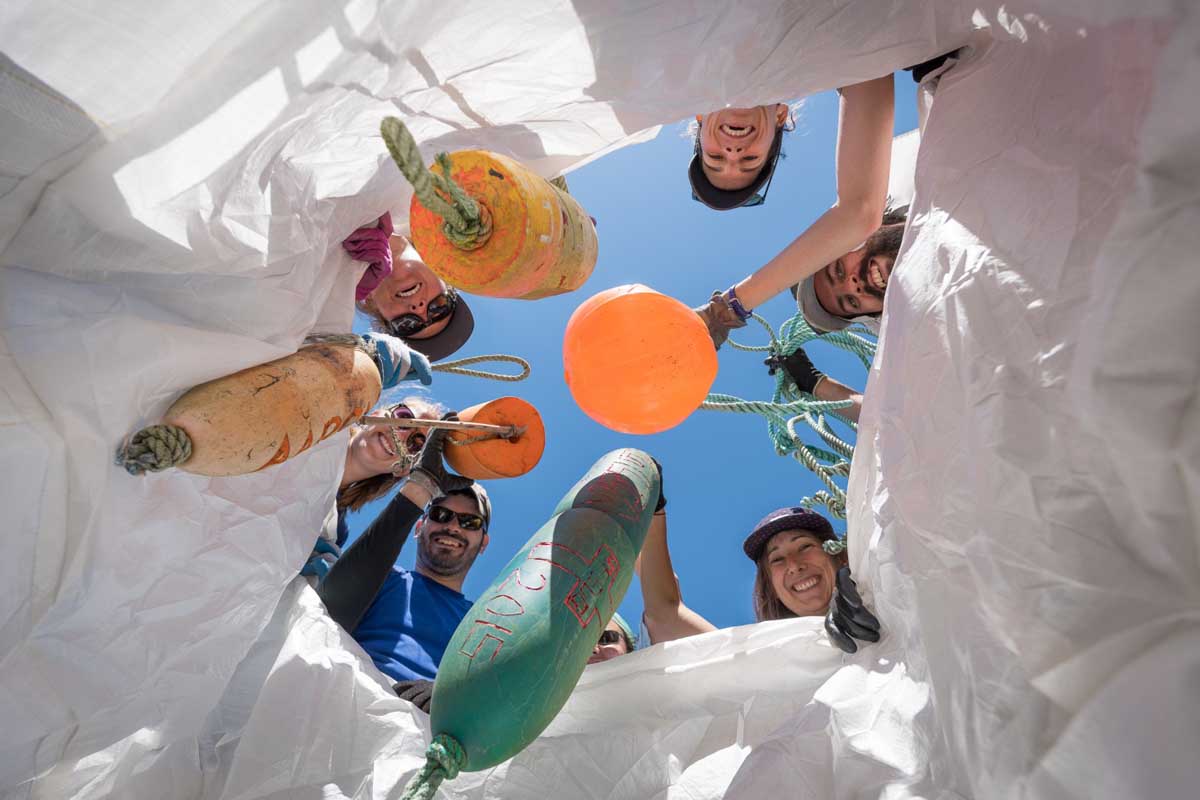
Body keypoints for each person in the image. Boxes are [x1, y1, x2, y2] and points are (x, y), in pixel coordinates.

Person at [315, 427, 491, 712]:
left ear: (484, 543)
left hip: (433, 736)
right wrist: (421, 486)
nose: (453, 526)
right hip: (345, 707)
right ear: (419, 528)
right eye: (440, 515)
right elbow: (325, 613)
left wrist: (454, 696)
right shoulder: (379, 576)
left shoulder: (483, 623)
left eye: (469, 522)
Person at [635, 462, 880, 654]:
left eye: (804, 546)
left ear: (839, 557)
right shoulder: (759, 663)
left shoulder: (896, 598)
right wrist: (652, 511)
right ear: (770, 588)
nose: (794, 565)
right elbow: (666, 614)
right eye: (777, 560)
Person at [343, 214, 476, 361]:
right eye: (439, 307)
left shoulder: (319, 286)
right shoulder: (432, 207)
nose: (419, 309)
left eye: (407, 324)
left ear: (372, 304)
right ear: (443, 276)